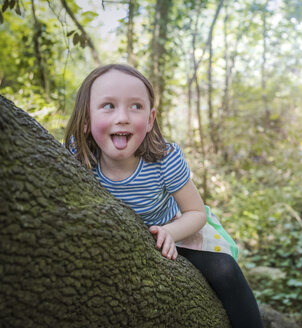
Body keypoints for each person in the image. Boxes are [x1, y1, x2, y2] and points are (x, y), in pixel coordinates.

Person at [64, 64, 263, 328]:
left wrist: (170, 232)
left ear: (149, 119)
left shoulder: (163, 158)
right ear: (86, 119)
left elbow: (196, 212)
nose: (122, 117)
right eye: (108, 106)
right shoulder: (78, 156)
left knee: (225, 269)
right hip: (114, 242)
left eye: (135, 106)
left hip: (174, 231)